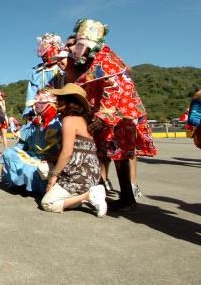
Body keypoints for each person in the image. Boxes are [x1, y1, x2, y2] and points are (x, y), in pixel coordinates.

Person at [70, 19, 156, 211]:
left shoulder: (106, 60)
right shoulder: (98, 60)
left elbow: (113, 88)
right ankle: (111, 194)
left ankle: (127, 198)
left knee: (120, 155)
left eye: (80, 45)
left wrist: (103, 115)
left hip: (121, 116)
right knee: (110, 154)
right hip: (112, 115)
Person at [40, 84, 107, 217]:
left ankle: (88, 195)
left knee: (47, 203)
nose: (56, 101)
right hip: (90, 171)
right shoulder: (84, 120)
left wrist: (54, 176)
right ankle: (79, 195)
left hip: (78, 172)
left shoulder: (69, 120)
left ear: (70, 102)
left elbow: (67, 153)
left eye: (60, 99)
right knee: (41, 167)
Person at [1, 90, 62, 193]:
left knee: (30, 170)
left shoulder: (59, 123)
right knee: (8, 153)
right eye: (37, 103)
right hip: (32, 156)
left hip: (50, 160)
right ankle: (19, 182)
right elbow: (20, 145)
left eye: (42, 104)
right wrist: (15, 154)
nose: (38, 106)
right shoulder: (32, 124)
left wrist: (55, 160)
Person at [23, 33, 63, 118]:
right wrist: (29, 111)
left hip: (58, 109)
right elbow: (31, 92)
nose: (42, 56)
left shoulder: (61, 69)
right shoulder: (36, 72)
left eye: (46, 52)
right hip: (39, 111)